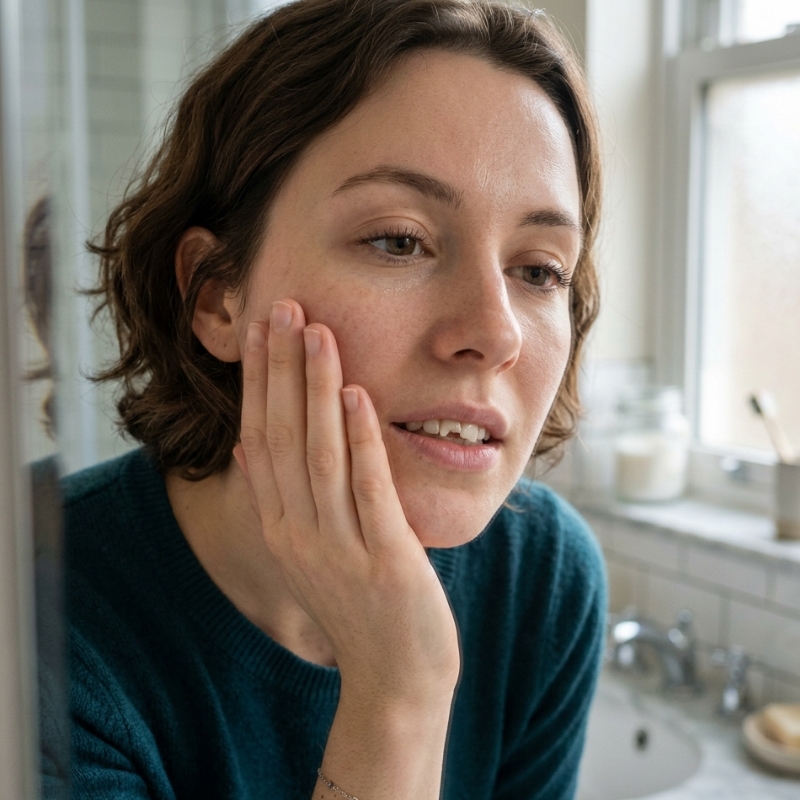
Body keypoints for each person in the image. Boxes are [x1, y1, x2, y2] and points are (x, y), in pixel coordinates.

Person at [49, 0, 607, 797]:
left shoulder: (544, 579)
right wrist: (398, 692)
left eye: (540, 270)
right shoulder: (38, 630)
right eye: (398, 239)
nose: (496, 331)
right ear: (216, 297)